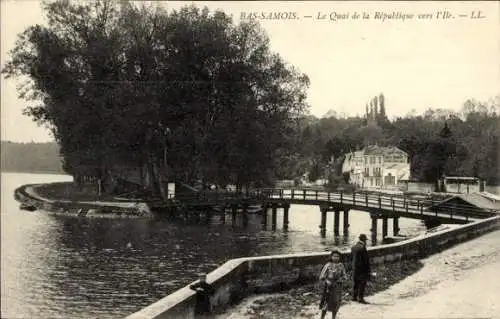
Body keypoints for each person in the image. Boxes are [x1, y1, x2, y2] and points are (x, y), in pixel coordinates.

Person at [319, 249, 348, 319]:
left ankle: (333, 317)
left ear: (340, 257)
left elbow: (345, 277)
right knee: (326, 303)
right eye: (334, 256)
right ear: (331, 257)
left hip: (337, 287)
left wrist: (339, 280)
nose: (336, 258)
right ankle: (322, 317)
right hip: (328, 287)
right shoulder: (328, 265)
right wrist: (327, 281)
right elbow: (321, 277)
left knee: (336, 303)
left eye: (337, 256)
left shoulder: (341, 266)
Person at [351, 233, 371, 303]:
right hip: (362, 268)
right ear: (364, 240)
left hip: (355, 268)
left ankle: (354, 297)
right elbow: (366, 260)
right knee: (362, 283)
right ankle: (360, 298)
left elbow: (352, 257)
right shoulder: (363, 247)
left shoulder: (353, 247)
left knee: (355, 283)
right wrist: (368, 269)